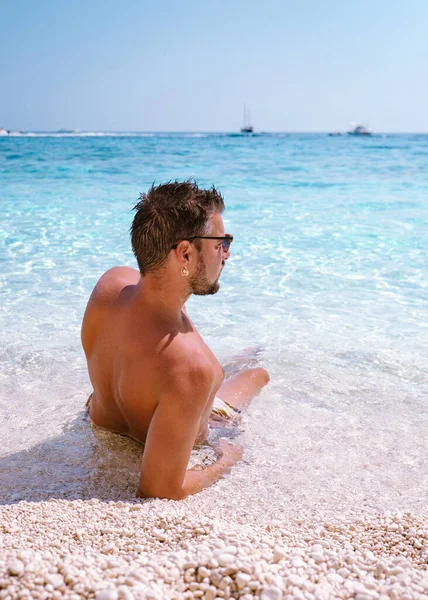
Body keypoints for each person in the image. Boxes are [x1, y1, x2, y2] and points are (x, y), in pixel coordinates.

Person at [81, 181, 269, 500]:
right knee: (258, 372)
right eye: (220, 243)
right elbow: (160, 489)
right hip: (183, 421)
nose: (227, 254)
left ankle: (240, 360)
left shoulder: (110, 285)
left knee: (232, 366)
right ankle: (250, 362)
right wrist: (227, 460)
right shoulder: (193, 367)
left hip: (103, 420)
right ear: (184, 253)